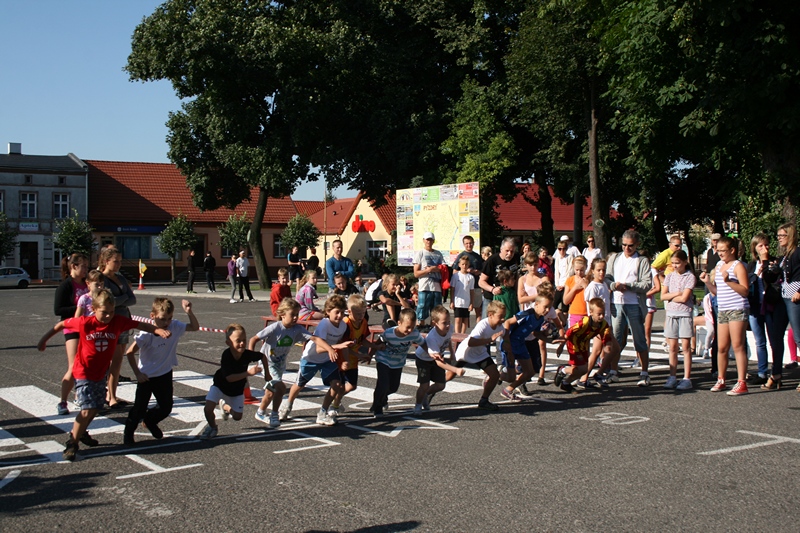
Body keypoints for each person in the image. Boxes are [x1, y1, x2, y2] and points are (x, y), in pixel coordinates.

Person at [37, 289, 170, 460]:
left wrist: (157, 331)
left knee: (96, 406)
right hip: (84, 372)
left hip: (100, 374)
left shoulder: (117, 322)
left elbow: (140, 325)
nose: (108, 316)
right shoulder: (85, 322)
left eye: (112, 312)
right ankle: (72, 443)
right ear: (93, 309)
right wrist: (44, 340)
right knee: (87, 409)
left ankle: (81, 432)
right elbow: (61, 325)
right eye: (104, 312)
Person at [250, 298, 336, 428]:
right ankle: (274, 414)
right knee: (280, 388)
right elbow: (254, 339)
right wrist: (250, 355)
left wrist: (329, 348)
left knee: (270, 392)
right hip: (267, 363)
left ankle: (260, 412)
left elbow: (314, 338)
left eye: (297, 314)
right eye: (292, 314)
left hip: (279, 365)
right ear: (282, 314)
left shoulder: (297, 329)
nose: (296, 317)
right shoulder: (275, 327)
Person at [124, 297, 199, 444]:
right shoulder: (146, 334)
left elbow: (194, 327)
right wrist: (137, 374)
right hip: (146, 376)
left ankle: (150, 421)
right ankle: (128, 432)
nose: (166, 322)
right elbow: (129, 352)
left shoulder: (174, 326)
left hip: (164, 373)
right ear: (153, 316)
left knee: (166, 407)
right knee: (139, 408)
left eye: (169, 318)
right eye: (163, 319)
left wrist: (189, 312)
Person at [279, 295, 353, 425]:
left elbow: (343, 344)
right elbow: (319, 348)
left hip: (327, 359)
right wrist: (335, 348)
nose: (340, 316)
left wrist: (345, 360)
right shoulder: (324, 324)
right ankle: (287, 405)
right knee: (300, 384)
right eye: (337, 312)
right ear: (328, 312)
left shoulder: (343, 326)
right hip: (311, 358)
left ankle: (323, 413)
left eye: (342, 312)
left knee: (336, 384)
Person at [700, 236, 750, 395]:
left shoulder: (738, 266)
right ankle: (721, 379)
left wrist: (729, 281)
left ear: (732, 250)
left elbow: (745, 291)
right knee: (721, 347)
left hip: (737, 308)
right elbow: (717, 292)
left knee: (738, 346)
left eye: (723, 250)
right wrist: (708, 283)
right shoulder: (719, 265)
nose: (720, 253)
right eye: (718, 250)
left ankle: (742, 382)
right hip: (722, 309)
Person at [200, 324, 268, 439]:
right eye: (238, 341)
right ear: (228, 343)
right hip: (220, 386)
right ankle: (212, 427)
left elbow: (262, 356)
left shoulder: (247, 354)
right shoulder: (226, 355)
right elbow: (229, 378)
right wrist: (248, 373)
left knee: (237, 417)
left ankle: (225, 406)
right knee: (208, 409)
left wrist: (267, 374)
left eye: (244, 340)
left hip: (237, 390)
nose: (242, 343)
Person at [604, 230, 653, 387]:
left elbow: (647, 284)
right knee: (616, 339)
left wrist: (629, 286)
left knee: (639, 339)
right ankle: (613, 371)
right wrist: (613, 285)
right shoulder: (615, 258)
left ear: (637, 245)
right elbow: (607, 277)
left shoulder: (642, 261)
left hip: (634, 304)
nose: (626, 248)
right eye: (624, 245)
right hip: (616, 303)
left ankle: (644, 373)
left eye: (630, 246)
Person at [331, 294, 382, 418]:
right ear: (349, 311)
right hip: (341, 358)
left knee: (352, 386)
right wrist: (357, 355)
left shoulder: (363, 322)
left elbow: (362, 340)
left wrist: (374, 346)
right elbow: (344, 346)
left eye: (363, 313)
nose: (361, 316)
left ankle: (336, 401)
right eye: (358, 313)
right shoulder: (346, 324)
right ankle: (332, 405)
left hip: (352, 359)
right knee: (339, 384)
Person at [100, 246, 137, 408]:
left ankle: (112, 395)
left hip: (124, 321)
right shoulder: (102, 279)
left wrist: (119, 299)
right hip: (111, 323)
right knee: (109, 360)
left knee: (118, 361)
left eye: (120, 261)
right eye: (116, 261)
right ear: (106, 261)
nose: (119, 264)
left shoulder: (120, 278)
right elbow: (107, 302)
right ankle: (105, 394)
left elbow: (132, 299)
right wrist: (122, 298)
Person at [498, 293, 553, 401]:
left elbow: (536, 333)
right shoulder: (527, 313)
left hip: (521, 344)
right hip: (511, 344)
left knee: (530, 372)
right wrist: (506, 341)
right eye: (545, 307)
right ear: (536, 304)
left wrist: (551, 340)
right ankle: (495, 376)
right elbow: (508, 322)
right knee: (511, 377)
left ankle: (508, 390)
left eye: (549, 307)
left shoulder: (540, 319)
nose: (547, 310)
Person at [454, 300, 507, 411]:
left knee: (494, 375)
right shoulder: (483, 324)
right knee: (449, 376)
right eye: (500, 316)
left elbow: (507, 341)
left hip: (479, 353)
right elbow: (471, 342)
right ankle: (429, 391)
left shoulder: (500, 327)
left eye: (504, 316)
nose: (503, 319)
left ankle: (484, 400)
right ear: (490, 315)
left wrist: (510, 356)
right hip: (465, 352)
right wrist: (489, 340)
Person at [369, 308, 423, 417]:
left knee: (393, 387)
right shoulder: (389, 333)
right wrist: (369, 355)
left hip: (398, 363)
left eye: (412, 327)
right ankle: (377, 407)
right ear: (399, 323)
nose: (410, 330)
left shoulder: (414, 334)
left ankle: (383, 397)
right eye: (407, 327)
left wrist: (431, 353)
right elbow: (377, 343)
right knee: (383, 384)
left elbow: (423, 343)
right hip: (383, 359)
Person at [54, 252, 89, 415]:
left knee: (87, 364)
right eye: (84, 266)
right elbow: (58, 309)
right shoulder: (66, 286)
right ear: (74, 266)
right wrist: (80, 308)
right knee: (74, 366)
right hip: (72, 328)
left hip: (88, 328)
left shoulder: (87, 283)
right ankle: (62, 401)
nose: (86, 270)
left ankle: (79, 396)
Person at [413, 305, 466, 414]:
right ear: (434, 323)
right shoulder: (433, 338)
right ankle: (418, 405)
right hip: (423, 359)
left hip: (437, 356)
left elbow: (448, 339)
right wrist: (455, 370)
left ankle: (425, 395)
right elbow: (439, 362)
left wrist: (452, 353)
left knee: (441, 385)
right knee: (424, 385)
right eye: (444, 323)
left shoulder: (449, 328)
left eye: (449, 321)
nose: (448, 325)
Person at [556, 298, 617, 393]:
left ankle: (566, 382)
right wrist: (561, 346)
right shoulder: (584, 322)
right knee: (582, 368)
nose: (601, 316)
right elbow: (569, 332)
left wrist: (608, 345)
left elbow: (606, 336)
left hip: (584, 345)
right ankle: (563, 370)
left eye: (603, 313)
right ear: (591, 312)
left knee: (583, 370)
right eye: (599, 314)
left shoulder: (603, 324)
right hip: (574, 344)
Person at [661, 250, 696, 390]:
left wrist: (671, 296)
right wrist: (676, 293)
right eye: (673, 263)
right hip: (671, 313)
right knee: (673, 347)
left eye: (678, 263)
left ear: (685, 262)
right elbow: (663, 296)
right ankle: (672, 376)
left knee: (686, 347)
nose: (675, 266)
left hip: (685, 313)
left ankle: (687, 378)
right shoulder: (670, 276)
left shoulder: (690, 277)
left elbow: (684, 298)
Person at [774, 223, 800, 390]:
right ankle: (776, 374)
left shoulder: (797, 252)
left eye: (782, 235)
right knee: (777, 335)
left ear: (790, 236)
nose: (779, 238)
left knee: (798, 336)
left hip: (794, 297)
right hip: (783, 297)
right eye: (778, 236)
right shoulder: (785, 256)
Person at [479, 237, 520, 318]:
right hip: (492, 297)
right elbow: (481, 282)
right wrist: (492, 289)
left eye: (512, 251)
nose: (509, 254)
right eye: (507, 251)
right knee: (487, 321)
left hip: (509, 296)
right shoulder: (492, 261)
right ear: (501, 249)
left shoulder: (515, 259)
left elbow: (517, 277)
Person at [413, 231, 445, 330]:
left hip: (436, 286)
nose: (429, 241)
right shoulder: (420, 253)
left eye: (430, 240)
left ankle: (433, 328)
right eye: (427, 239)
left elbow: (443, 268)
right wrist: (428, 270)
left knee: (436, 310)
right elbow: (416, 273)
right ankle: (420, 327)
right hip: (424, 286)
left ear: (433, 241)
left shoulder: (438, 254)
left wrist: (436, 269)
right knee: (422, 307)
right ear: (423, 240)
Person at [452, 235, 484, 320]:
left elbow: (483, 271)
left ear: (473, 243)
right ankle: (464, 328)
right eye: (466, 243)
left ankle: (478, 327)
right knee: (464, 312)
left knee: (478, 310)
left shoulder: (477, 256)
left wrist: (477, 272)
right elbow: (454, 271)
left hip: (476, 286)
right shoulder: (461, 256)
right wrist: (466, 271)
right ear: (463, 244)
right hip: (464, 288)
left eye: (470, 243)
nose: (469, 245)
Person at [450, 255, 475, 333]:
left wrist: (471, 303)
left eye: (466, 264)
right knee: (458, 319)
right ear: (459, 265)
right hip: (457, 302)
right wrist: (452, 301)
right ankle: (457, 334)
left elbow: (471, 291)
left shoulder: (471, 277)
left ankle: (463, 335)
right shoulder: (455, 276)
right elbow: (452, 289)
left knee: (465, 320)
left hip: (466, 302)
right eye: (463, 264)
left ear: (468, 265)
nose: (464, 266)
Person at [563, 256, 589, 327]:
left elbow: (592, 297)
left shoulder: (589, 280)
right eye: (577, 270)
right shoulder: (570, 280)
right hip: (574, 314)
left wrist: (585, 286)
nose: (579, 273)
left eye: (581, 270)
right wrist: (574, 289)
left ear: (586, 267)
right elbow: (565, 301)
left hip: (587, 314)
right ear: (573, 268)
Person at [553, 239, 574, 321]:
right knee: (554, 305)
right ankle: (562, 321)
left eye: (563, 249)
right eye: (560, 249)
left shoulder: (569, 257)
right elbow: (556, 272)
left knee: (565, 306)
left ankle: (564, 323)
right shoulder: (557, 258)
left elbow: (570, 272)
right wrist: (557, 285)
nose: (562, 251)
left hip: (566, 285)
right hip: (559, 285)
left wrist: (565, 284)